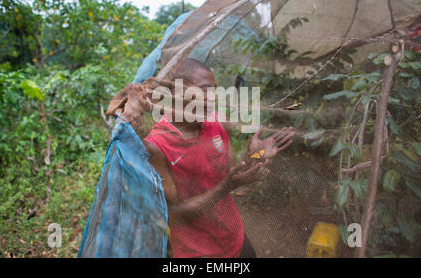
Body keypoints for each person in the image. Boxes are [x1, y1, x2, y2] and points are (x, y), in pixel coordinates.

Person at [109, 58, 296, 258]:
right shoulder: (157, 146)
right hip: (199, 253)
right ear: (176, 92)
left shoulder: (219, 123)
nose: (211, 98)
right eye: (203, 90)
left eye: (214, 90)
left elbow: (230, 174)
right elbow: (175, 217)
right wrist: (227, 185)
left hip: (235, 238)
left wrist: (254, 157)